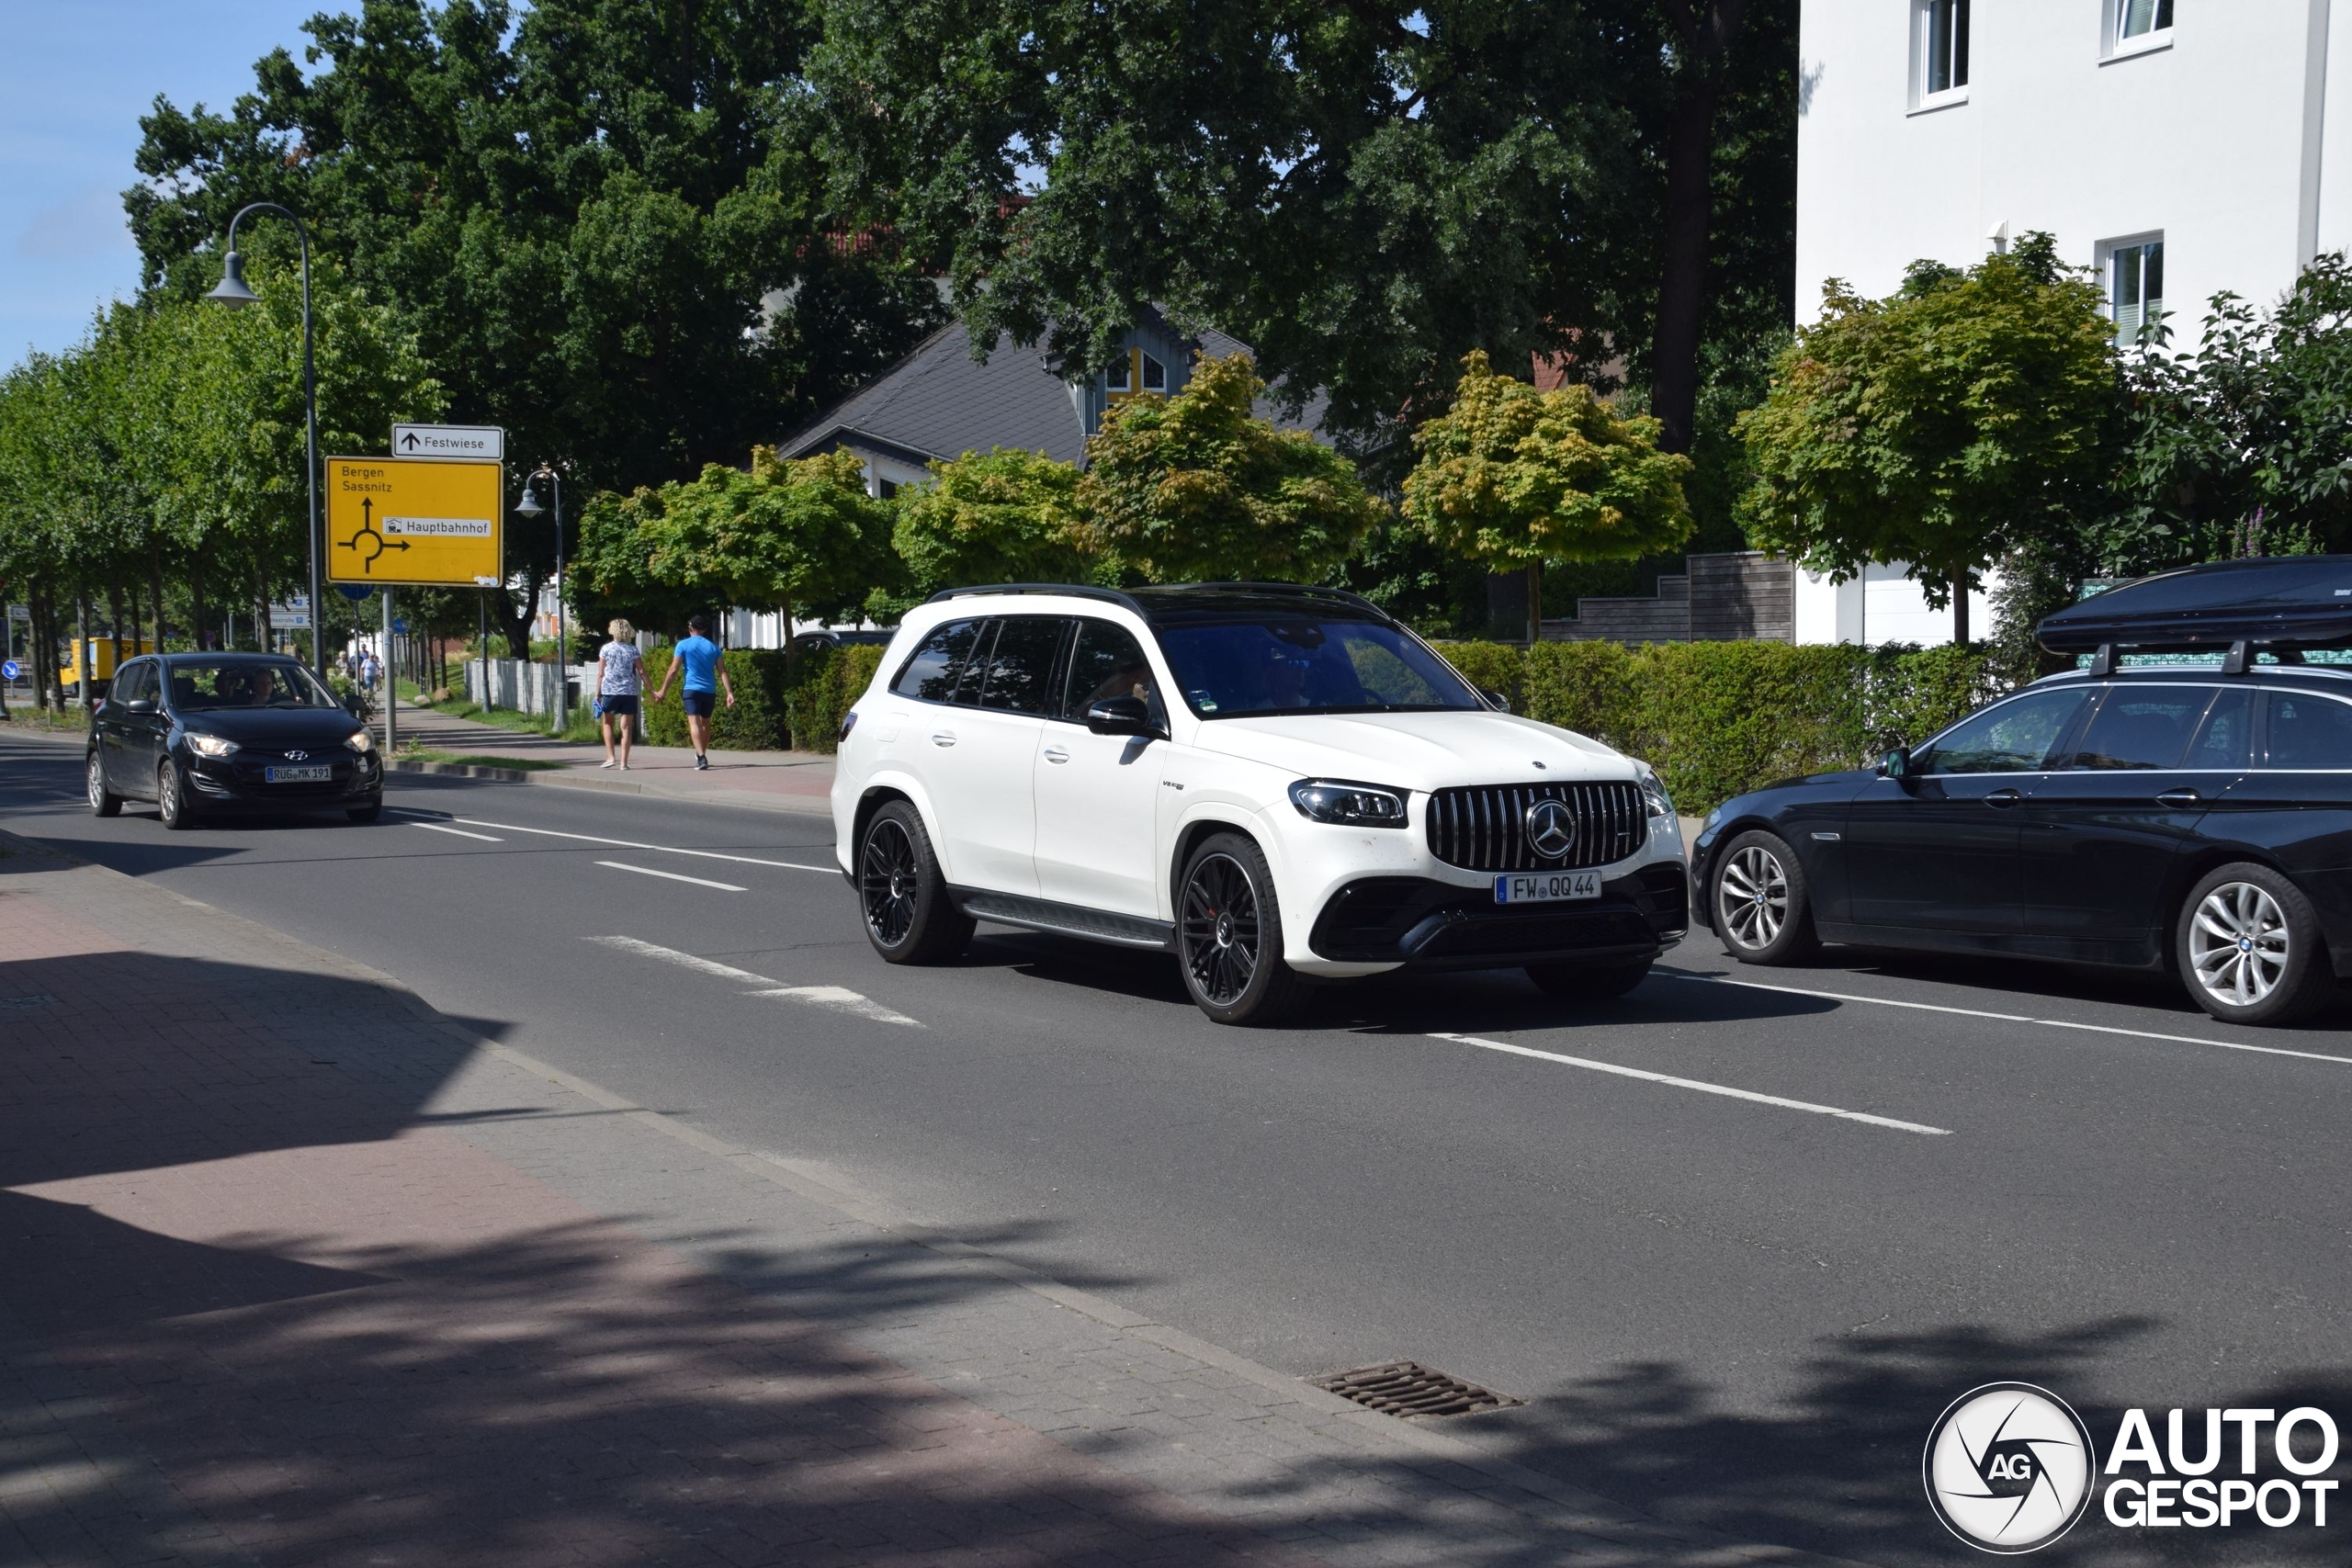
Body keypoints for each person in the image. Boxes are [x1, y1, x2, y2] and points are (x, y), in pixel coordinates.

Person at [650, 614, 734, 770]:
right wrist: (729, 692)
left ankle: (701, 757)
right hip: (709, 690)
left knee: (694, 723)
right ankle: (701, 753)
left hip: (691, 690)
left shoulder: (683, 645)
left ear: (690, 628)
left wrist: (663, 691)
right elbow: (722, 671)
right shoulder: (713, 647)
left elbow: (674, 669)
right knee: (706, 723)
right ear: (705, 629)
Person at [595, 618, 644, 770]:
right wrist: (651, 689)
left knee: (608, 722)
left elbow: (600, 674)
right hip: (628, 691)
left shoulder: (606, 649)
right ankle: (624, 762)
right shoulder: (632, 649)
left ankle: (611, 757)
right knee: (626, 727)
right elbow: (641, 671)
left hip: (610, 690)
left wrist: (597, 694)